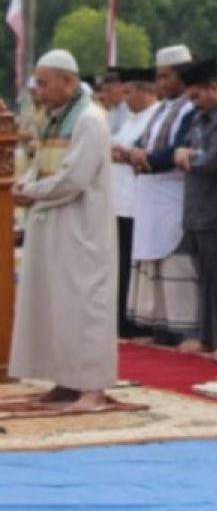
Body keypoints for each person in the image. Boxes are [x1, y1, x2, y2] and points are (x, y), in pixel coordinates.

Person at [9, 50, 117, 411]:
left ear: (68, 82)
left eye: (44, 82)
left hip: (80, 227)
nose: (37, 90)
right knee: (55, 304)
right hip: (51, 224)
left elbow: (75, 178)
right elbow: (37, 164)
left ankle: (92, 388)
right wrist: (23, 184)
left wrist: (31, 192)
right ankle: (64, 381)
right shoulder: (53, 119)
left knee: (84, 305)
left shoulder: (89, 120)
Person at [128, 45, 199, 349]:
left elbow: (181, 147)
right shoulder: (163, 107)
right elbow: (144, 142)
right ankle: (160, 325)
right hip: (152, 196)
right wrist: (134, 152)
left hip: (175, 193)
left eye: (165, 76)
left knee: (177, 260)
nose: (160, 83)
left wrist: (147, 158)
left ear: (182, 76)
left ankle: (185, 327)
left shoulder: (191, 107)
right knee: (153, 260)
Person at [175, 59, 217, 363]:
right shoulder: (200, 116)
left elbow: (216, 159)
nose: (194, 103)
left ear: (215, 88)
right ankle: (208, 335)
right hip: (198, 206)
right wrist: (183, 154)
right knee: (205, 276)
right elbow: (186, 148)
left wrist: (188, 158)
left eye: (196, 96)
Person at [110, 68, 158, 338]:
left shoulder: (154, 115)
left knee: (132, 265)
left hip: (138, 201)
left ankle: (133, 320)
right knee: (120, 263)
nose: (124, 98)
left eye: (128, 92)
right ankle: (121, 318)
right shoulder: (131, 118)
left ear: (143, 91)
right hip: (120, 200)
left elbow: (143, 152)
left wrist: (124, 153)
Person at [98, 69, 128, 136]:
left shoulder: (131, 111)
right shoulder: (111, 111)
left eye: (109, 90)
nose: (104, 95)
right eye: (103, 91)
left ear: (122, 87)